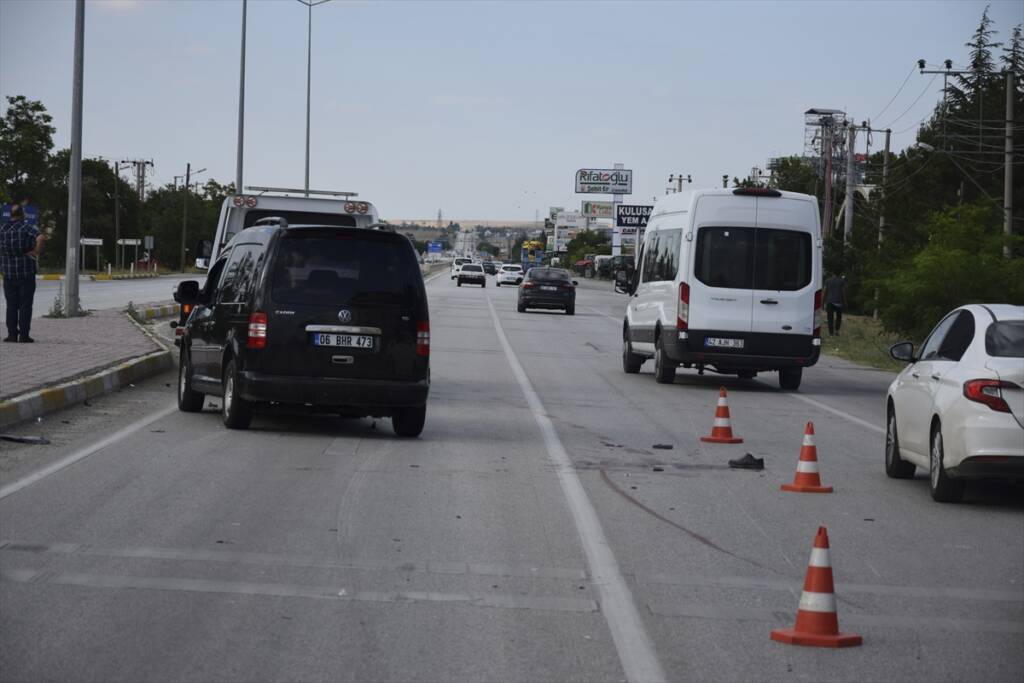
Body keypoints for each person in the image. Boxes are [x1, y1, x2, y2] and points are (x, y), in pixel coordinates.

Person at [0, 204, 45, 342]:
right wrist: (35, 252)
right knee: (25, 305)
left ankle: (12, 335)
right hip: (26, 272)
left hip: (8, 273)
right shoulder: (27, 227)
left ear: (10, 214)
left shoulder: (3, 229)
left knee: (11, 305)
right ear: (22, 214)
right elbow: (41, 237)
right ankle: (24, 335)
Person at [823, 271, 846, 336]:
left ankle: (831, 333)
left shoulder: (827, 281)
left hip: (829, 302)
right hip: (839, 302)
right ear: (839, 274)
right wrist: (845, 302)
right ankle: (836, 330)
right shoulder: (842, 281)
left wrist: (822, 302)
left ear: (833, 273)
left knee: (830, 318)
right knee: (839, 317)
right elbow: (843, 292)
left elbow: (824, 292)